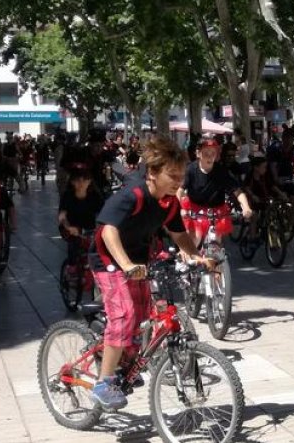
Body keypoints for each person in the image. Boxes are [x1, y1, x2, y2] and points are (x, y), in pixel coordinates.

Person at [89, 135, 212, 410]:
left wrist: (197, 257)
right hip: (109, 258)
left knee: (143, 317)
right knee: (124, 315)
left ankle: (122, 364)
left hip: (139, 259)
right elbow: (109, 230)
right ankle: (103, 382)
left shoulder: (169, 203)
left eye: (181, 175)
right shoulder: (132, 195)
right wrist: (126, 265)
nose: (179, 181)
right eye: (173, 175)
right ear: (153, 172)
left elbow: (179, 234)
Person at [177, 136, 254, 246]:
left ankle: (216, 261)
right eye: (206, 152)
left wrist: (246, 207)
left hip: (217, 213)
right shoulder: (190, 169)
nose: (210, 156)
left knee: (216, 245)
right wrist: (179, 209)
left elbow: (237, 191)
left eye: (213, 152)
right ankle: (188, 259)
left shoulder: (221, 171)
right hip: (195, 211)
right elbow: (179, 190)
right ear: (198, 153)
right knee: (195, 240)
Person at [57, 164, 104, 265]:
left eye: (85, 180)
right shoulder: (67, 196)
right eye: (78, 180)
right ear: (72, 182)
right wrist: (68, 226)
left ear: (89, 181)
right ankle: (71, 269)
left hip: (90, 229)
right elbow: (62, 215)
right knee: (74, 246)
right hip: (72, 229)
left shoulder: (95, 196)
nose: (81, 183)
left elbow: (104, 212)